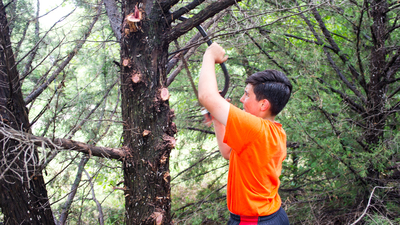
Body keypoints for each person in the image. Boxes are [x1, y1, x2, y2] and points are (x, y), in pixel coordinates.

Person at [198, 42, 292, 225]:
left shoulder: (255, 128)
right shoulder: (275, 131)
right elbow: (228, 153)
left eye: (247, 95)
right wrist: (218, 119)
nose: (241, 99)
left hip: (255, 221)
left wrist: (209, 55)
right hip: (270, 216)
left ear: (263, 104)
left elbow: (206, 97)